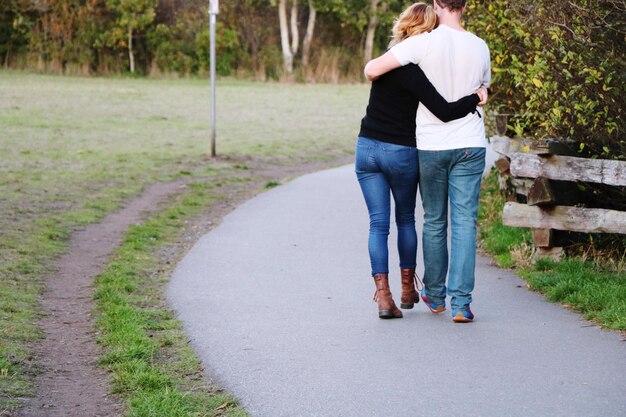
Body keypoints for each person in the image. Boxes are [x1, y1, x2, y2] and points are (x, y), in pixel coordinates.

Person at [356, 2, 487, 319]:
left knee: (404, 223)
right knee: (433, 222)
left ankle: (409, 296)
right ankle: (437, 297)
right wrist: (476, 97)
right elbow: (460, 101)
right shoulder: (472, 49)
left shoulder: (405, 53)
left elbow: (372, 69)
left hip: (396, 146)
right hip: (439, 146)